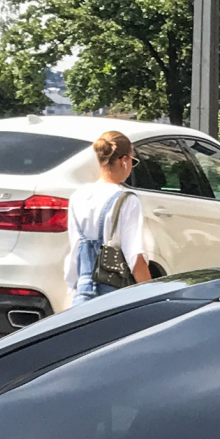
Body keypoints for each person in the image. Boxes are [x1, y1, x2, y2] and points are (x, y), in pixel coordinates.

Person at [66, 129, 150, 308]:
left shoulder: (78, 197)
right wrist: (150, 295)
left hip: (83, 291)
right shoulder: (127, 200)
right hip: (114, 295)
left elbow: (74, 251)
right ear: (124, 161)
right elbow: (135, 257)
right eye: (132, 161)